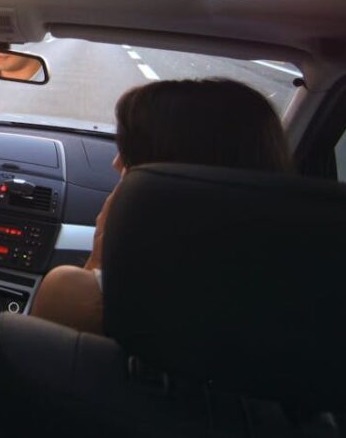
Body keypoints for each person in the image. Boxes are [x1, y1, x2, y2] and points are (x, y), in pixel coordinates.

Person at [31, 78, 292, 334]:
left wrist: (101, 258)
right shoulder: (300, 286)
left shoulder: (79, 295)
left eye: (132, 153)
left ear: (178, 170)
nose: (116, 164)